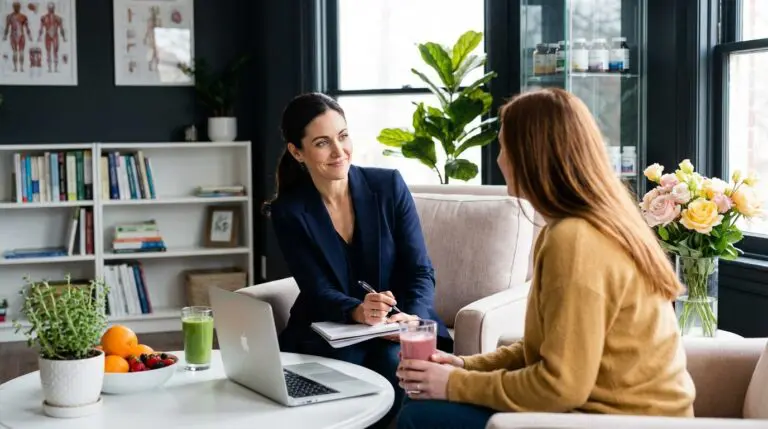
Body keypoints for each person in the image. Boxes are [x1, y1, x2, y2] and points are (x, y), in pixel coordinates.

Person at [395, 88, 696, 429]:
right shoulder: (591, 223)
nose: (499, 159)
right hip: (616, 412)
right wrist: (465, 366)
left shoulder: (575, 240)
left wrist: (452, 384)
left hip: (619, 422)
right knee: (421, 395)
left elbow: (560, 386)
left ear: (530, 156)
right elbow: (548, 348)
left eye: (504, 147)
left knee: (419, 416)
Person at [263, 92, 453, 428]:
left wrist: (413, 319)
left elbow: (419, 271)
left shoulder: (388, 186)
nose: (339, 151)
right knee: (341, 363)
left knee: (394, 361)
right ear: (297, 152)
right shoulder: (289, 211)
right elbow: (315, 288)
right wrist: (357, 310)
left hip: (399, 324)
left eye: (343, 136)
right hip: (329, 329)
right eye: (322, 143)